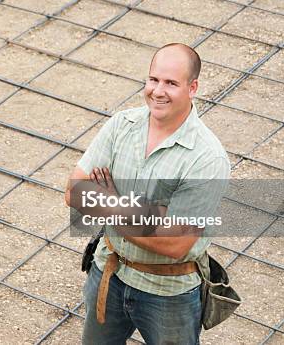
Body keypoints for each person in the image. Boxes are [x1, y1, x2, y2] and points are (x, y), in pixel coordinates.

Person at [65, 43, 230, 344]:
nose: (158, 91)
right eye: (153, 80)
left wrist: (109, 201)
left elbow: (175, 242)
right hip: (108, 273)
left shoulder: (207, 158)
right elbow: (75, 193)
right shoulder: (121, 126)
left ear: (193, 88)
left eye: (171, 83)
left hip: (168, 291)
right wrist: (151, 216)